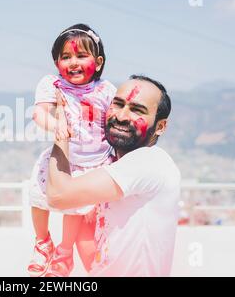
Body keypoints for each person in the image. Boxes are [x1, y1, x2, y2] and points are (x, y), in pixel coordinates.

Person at [46, 75, 181, 276]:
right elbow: (96, 260)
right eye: (117, 104)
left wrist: (62, 128)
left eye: (137, 110)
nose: (121, 116)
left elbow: (58, 195)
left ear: (160, 126)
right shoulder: (115, 170)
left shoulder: (149, 160)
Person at [28, 24, 117, 277]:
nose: (73, 62)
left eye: (81, 55)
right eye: (65, 57)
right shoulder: (53, 84)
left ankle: (65, 253)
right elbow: (39, 112)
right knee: (37, 197)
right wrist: (55, 124)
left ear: (98, 62)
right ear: (56, 62)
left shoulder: (106, 90)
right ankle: (43, 241)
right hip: (62, 158)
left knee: (75, 209)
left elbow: (115, 123)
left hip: (94, 162)